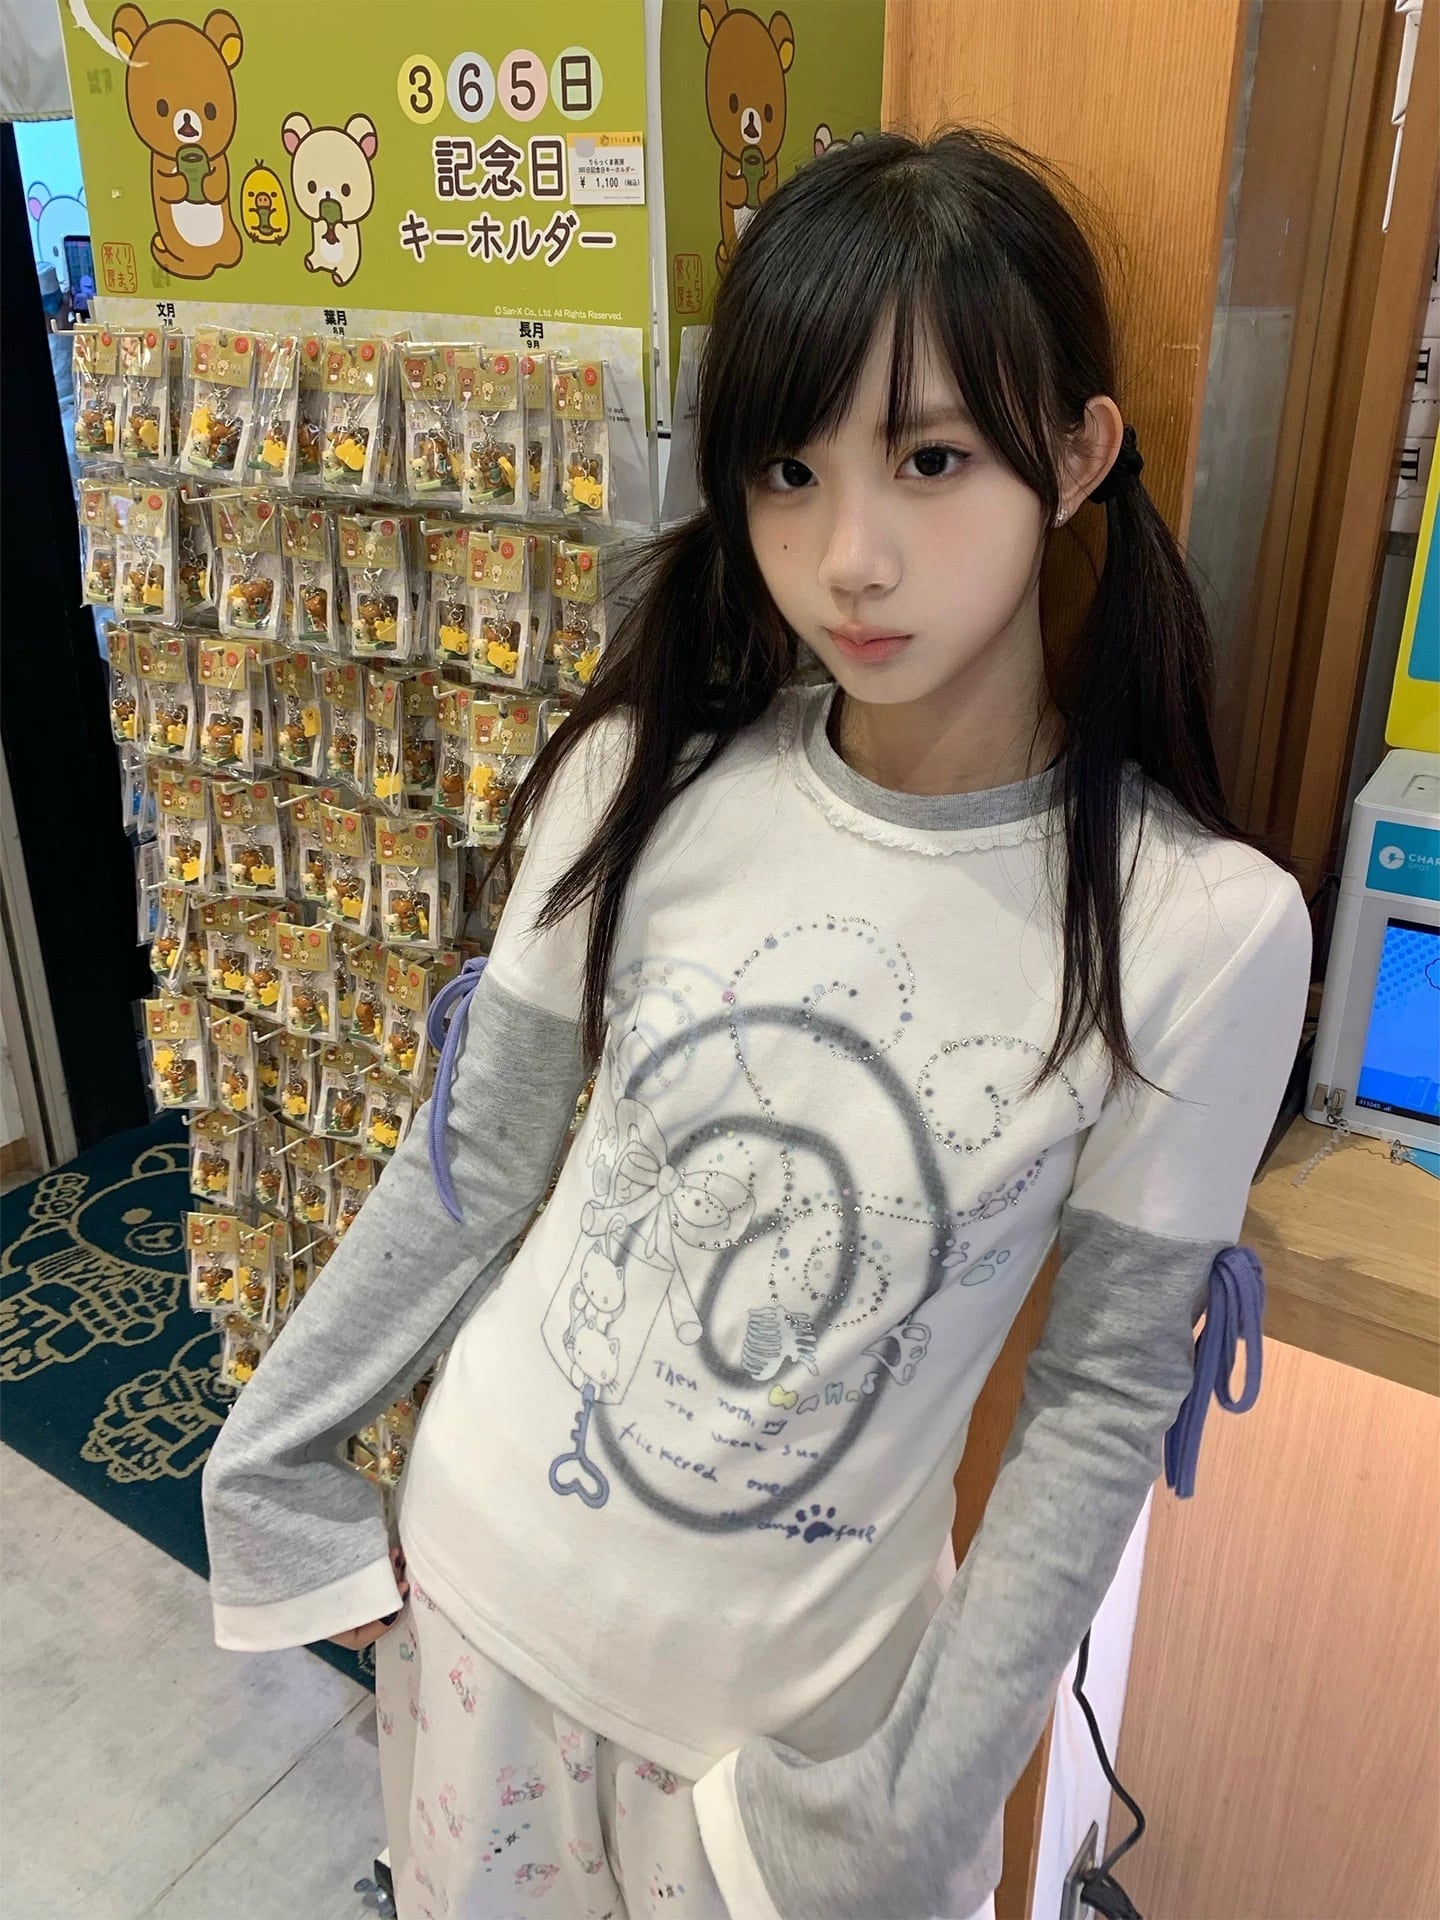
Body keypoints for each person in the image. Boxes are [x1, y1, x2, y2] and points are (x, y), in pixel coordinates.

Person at [202, 127, 1313, 1920]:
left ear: (1078, 455)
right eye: (790, 472)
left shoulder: (1202, 932)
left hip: (779, 1761)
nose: (850, 557)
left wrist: (902, 1816)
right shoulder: (644, 781)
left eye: (933, 460)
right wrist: (272, 1459)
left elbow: (1101, 1402)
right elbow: (474, 1165)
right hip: (478, 1596)